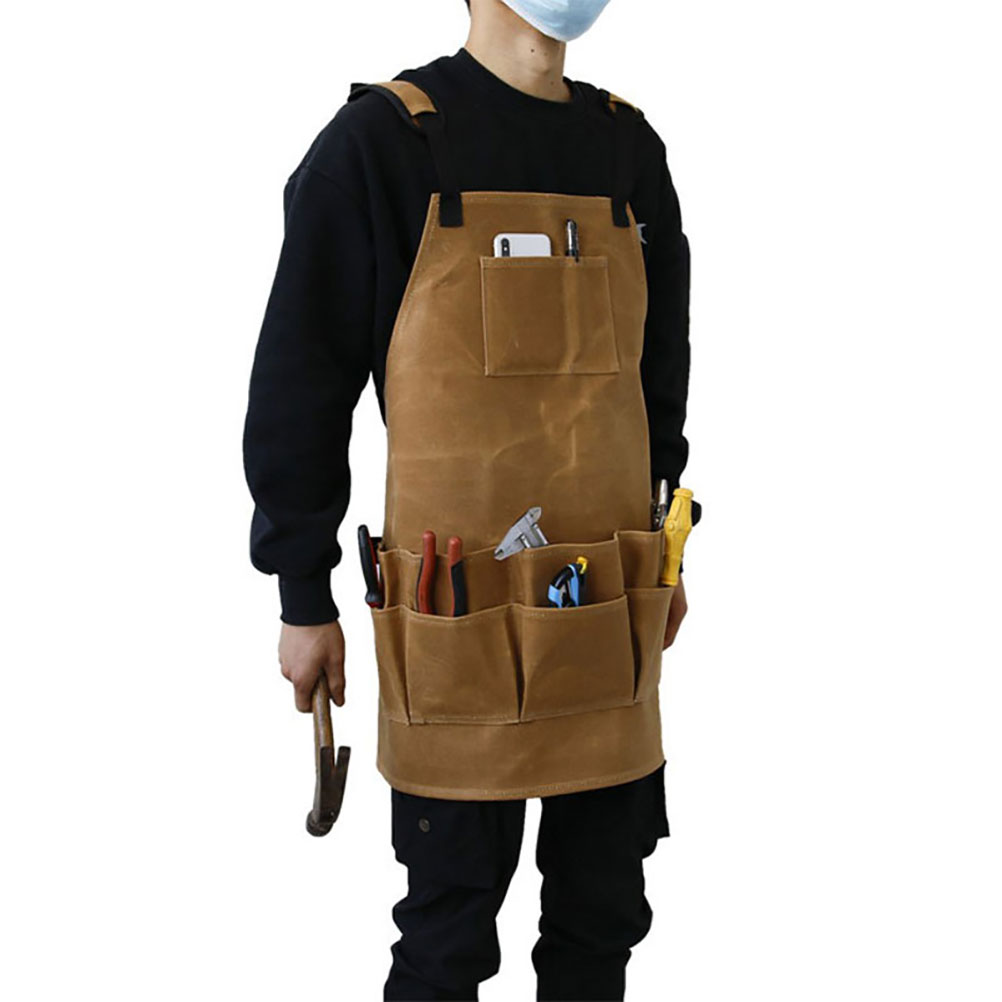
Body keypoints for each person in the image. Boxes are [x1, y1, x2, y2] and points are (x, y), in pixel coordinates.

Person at [243, 1, 692, 998]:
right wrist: (302, 594)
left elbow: (661, 378)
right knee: (446, 941)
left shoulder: (628, 151)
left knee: (603, 922)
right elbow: (298, 390)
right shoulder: (382, 145)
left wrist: (669, 550)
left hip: (612, 615)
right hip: (456, 631)